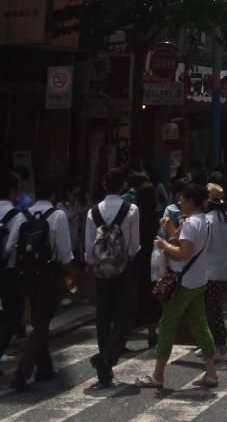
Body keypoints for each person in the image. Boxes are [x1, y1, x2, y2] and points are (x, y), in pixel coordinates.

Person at [137, 183, 217, 390]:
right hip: (198, 280)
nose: (180, 202)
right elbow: (185, 243)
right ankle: (211, 373)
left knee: (166, 326)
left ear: (190, 202)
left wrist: (163, 245)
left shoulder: (190, 223)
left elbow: (184, 253)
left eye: (182, 199)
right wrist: (171, 228)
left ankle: (158, 375)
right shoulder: (204, 221)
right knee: (200, 326)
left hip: (183, 282)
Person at [5, 173, 74, 391]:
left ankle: (45, 368)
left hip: (27, 275)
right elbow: (65, 252)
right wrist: (70, 277)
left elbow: (10, 246)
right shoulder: (58, 215)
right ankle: (22, 374)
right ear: (54, 194)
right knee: (42, 323)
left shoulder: (23, 215)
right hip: (49, 274)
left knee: (38, 319)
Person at [85, 166, 140, 387]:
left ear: (104, 185)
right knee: (126, 315)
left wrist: (96, 264)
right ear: (123, 186)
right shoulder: (131, 209)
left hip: (100, 271)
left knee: (103, 318)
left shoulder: (92, 212)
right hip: (123, 269)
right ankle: (107, 358)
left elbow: (88, 249)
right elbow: (134, 245)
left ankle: (105, 367)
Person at [204, 182, 227, 361]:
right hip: (223, 269)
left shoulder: (207, 220)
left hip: (208, 271)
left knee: (213, 311)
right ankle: (209, 344)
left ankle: (221, 348)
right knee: (213, 309)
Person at [132, 177, 162, 348]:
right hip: (154, 260)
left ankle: (124, 334)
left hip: (137, 258)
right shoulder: (156, 217)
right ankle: (152, 334)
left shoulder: (134, 216)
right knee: (153, 297)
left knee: (136, 296)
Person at [0, 171, 25, 374]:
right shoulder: (17, 216)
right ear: (13, 191)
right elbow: (11, 247)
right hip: (8, 271)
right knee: (14, 315)